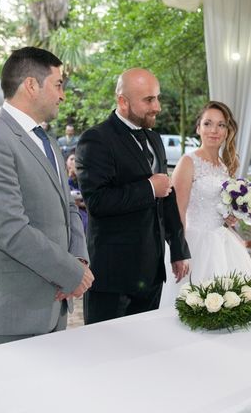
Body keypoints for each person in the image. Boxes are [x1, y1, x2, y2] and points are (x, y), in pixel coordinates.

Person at [0, 46, 93, 348]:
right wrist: (71, 272)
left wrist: (78, 259)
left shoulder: (47, 139)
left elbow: (68, 207)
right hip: (14, 309)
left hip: (55, 303)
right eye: (58, 84)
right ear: (31, 85)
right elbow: (10, 229)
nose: (63, 95)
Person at [76, 67, 190, 325]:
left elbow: (167, 195)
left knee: (145, 351)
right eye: (148, 100)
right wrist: (149, 188)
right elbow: (97, 202)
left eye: (157, 97)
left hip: (151, 273)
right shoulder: (95, 139)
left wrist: (178, 249)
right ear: (122, 101)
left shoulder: (155, 138)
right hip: (113, 276)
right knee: (106, 353)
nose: (157, 106)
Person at [170, 101, 251, 283]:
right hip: (195, 243)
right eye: (207, 123)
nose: (214, 130)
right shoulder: (188, 162)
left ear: (227, 131)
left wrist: (228, 216)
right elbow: (178, 212)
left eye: (221, 125)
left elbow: (217, 205)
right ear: (198, 128)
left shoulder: (224, 167)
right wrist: (180, 252)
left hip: (223, 242)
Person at [65, 153, 87, 231]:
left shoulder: (84, 179)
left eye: (75, 159)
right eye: (71, 159)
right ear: (66, 162)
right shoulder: (63, 180)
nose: (73, 162)